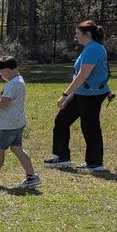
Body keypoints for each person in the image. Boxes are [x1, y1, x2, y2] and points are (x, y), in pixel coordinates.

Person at [43, 20, 110, 173]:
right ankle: (62, 158)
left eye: (78, 33)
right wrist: (69, 96)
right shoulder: (88, 48)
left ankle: (95, 164)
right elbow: (78, 77)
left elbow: (82, 76)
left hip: (92, 95)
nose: (76, 36)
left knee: (90, 127)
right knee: (62, 120)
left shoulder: (93, 49)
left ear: (87, 34)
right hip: (81, 93)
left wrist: (64, 95)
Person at [0, 57, 42, 188]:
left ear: (7, 70)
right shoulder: (20, 81)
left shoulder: (12, 84)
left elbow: (3, 104)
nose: (1, 76)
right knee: (16, 148)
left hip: (8, 124)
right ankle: (32, 176)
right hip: (18, 121)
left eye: (1, 74)